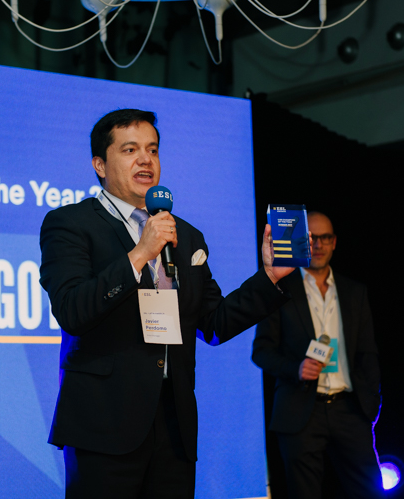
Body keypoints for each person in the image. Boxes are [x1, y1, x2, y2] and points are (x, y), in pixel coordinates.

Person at [39, 109, 294, 498]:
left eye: (153, 149)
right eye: (130, 150)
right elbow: (72, 310)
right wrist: (141, 253)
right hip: (104, 424)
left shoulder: (185, 236)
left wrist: (270, 278)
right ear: (100, 165)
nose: (146, 159)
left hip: (174, 425)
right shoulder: (70, 224)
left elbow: (214, 322)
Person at [252, 211, 383, 499]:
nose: (319, 245)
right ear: (301, 241)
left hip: (349, 409)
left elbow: (368, 354)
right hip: (300, 411)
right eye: (312, 238)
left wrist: (370, 405)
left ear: (334, 242)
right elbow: (261, 352)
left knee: (370, 490)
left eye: (326, 238)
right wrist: (296, 369)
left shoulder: (354, 292)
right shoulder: (281, 290)